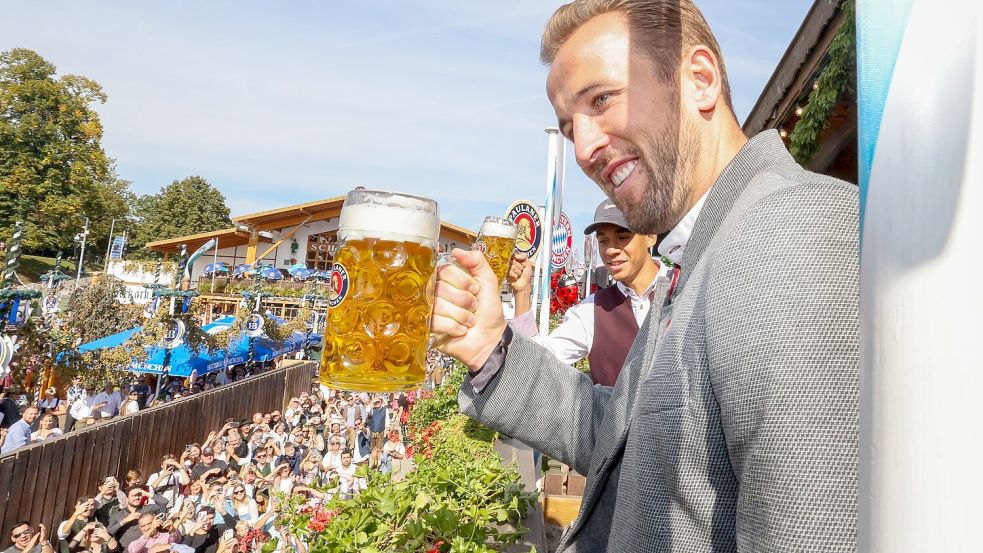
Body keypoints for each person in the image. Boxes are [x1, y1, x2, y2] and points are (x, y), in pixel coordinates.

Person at [431, 1, 858, 551]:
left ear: (699, 81)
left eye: (602, 100)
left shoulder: (786, 227)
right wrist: (491, 347)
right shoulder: (705, 249)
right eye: (569, 128)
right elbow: (617, 437)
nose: (583, 149)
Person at [509, 199, 663, 386]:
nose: (611, 250)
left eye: (623, 237)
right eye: (603, 241)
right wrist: (522, 294)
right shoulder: (592, 309)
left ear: (650, 236)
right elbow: (535, 366)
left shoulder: (686, 285)